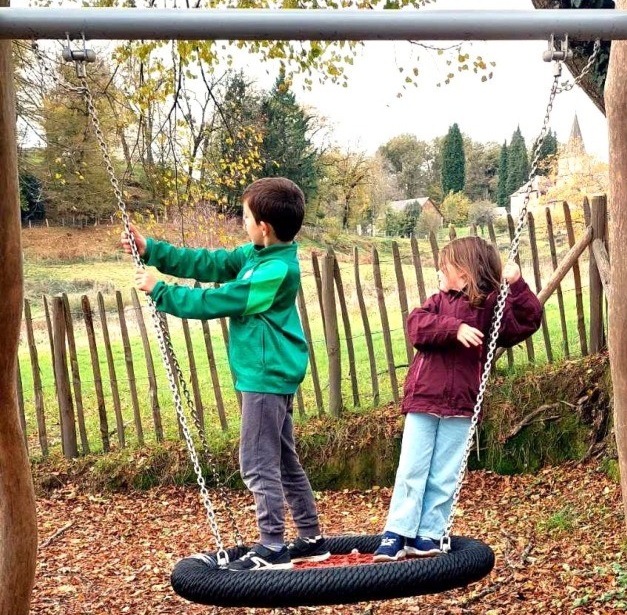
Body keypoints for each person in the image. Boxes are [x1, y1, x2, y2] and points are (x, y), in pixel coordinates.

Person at [123, 177, 330, 571]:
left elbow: (221, 299)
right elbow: (210, 262)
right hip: (271, 374)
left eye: (246, 217)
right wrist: (152, 250)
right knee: (283, 460)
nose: (243, 222)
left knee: (256, 461)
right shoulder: (258, 255)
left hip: (266, 377)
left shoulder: (275, 272)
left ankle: (272, 547)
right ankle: (311, 537)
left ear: (263, 227)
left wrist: (162, 291)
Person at [374, 236, 543, 562]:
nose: (438, 272)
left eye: (445, 267)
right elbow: (416, 327)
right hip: (425, 399)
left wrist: (517, 284)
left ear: (465, 273)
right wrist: (453, 328)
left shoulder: (492, 306)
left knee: (445, 472)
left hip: (463, 404)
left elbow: (526, 322)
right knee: (412, 468)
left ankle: (429, 534)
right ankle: (397, 532)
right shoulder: (437, 302)